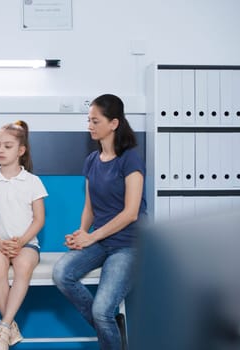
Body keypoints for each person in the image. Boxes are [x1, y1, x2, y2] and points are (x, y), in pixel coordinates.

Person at [52, 94, 147, 350]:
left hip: (129, 244)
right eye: (89, 120)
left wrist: (91, 236)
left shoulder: (130, 159)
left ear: (114, 123)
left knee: (101, 309)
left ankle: (108, 327)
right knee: (62, 274)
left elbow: (131, 213)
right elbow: (90, 207)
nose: (90, 126)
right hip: (101, 240)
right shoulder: (92, 161)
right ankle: (113, 329)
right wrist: (81, 233)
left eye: (95, 121)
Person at [0, 120, 48, 350]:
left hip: (26, 244)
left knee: (23, 267)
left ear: (21, 150)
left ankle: (4, 325)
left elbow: (39, 219)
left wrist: (22, 242)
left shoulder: (33, 182)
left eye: (7, 146)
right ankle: (10, 326)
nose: (1, 150)